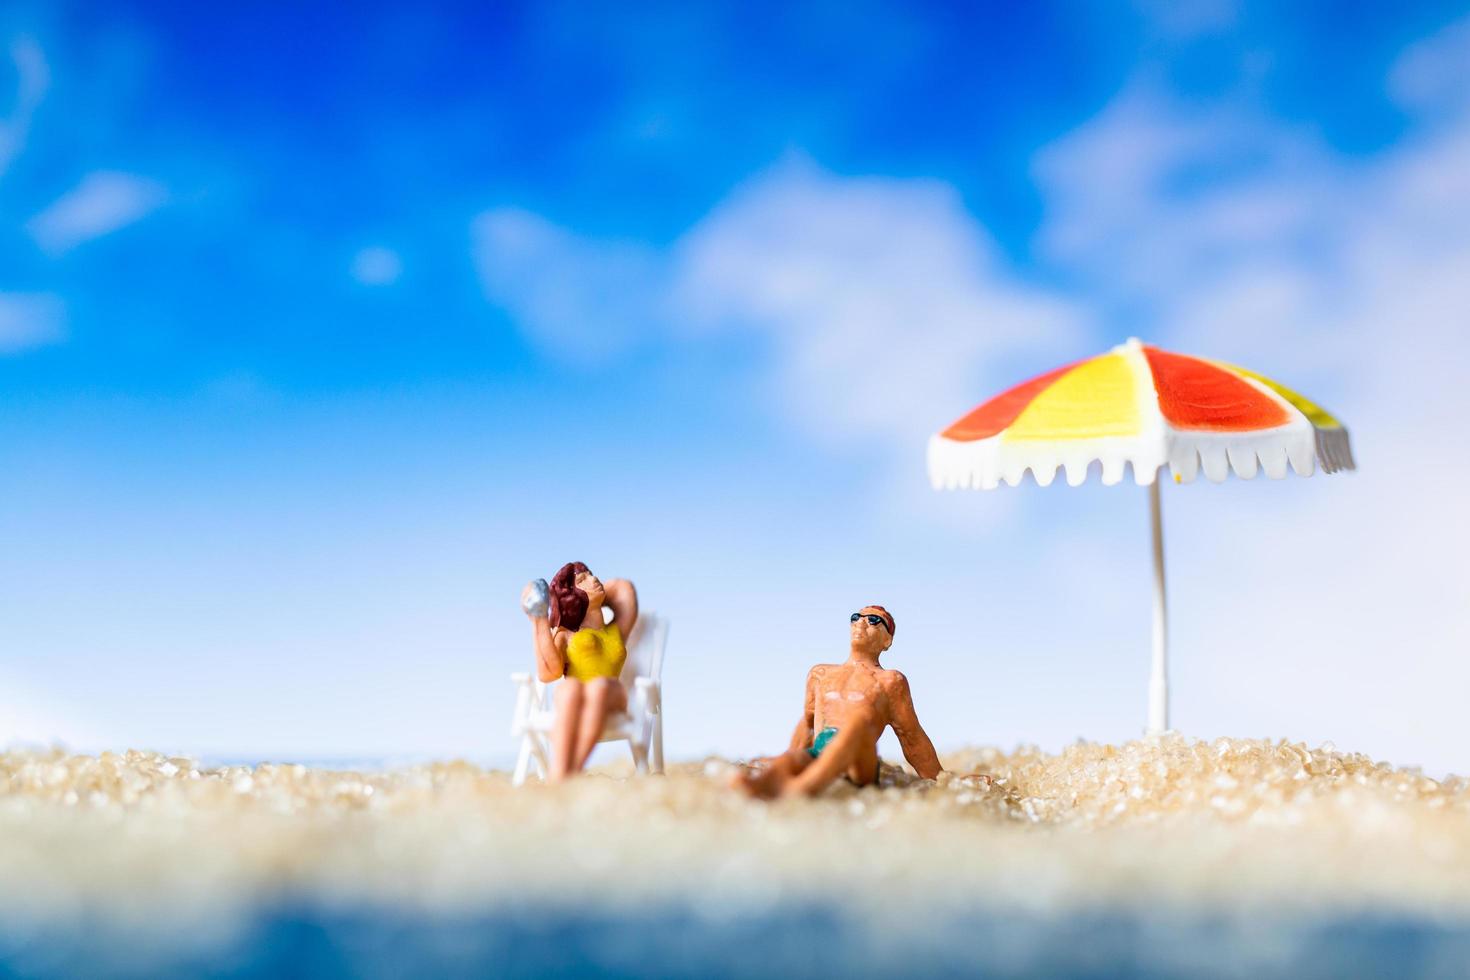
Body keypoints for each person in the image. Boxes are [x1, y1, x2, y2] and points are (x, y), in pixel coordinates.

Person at [731, 604, 942, 799]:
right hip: (819, 752)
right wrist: (787, 755)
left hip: (859, 761)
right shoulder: (820, 673)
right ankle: (758, 787)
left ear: (887, 641)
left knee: (858, 723)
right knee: (790, 761)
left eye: (874, 620)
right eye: (856, 617)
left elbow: (912, 738)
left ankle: (800, 790)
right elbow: (807, 724)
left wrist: (942, 780)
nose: (861, 622)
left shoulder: (890, 681)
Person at [521, 562, 639, 781]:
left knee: (599, 687)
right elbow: (549, 673)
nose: (594, 579)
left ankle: (569, 773)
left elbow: (624, 589)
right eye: (583, 580)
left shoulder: (616, 629)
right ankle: (559, 775)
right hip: (578, 697)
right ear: (572, 594)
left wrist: (587, 591)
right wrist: (540, 617)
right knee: (569, 689)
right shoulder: (564, 635)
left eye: (592, 575)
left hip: (611, 694)